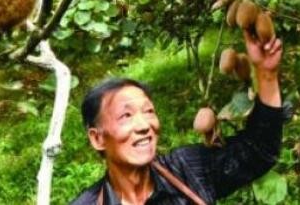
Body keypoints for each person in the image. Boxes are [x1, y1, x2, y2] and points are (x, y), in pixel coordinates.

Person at [70, 29, 284, 205]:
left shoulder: (187, 168)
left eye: (148, 111)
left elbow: (258, 150)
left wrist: (267, 75)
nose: (144, 125)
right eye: (126, 115)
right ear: (97, 138)